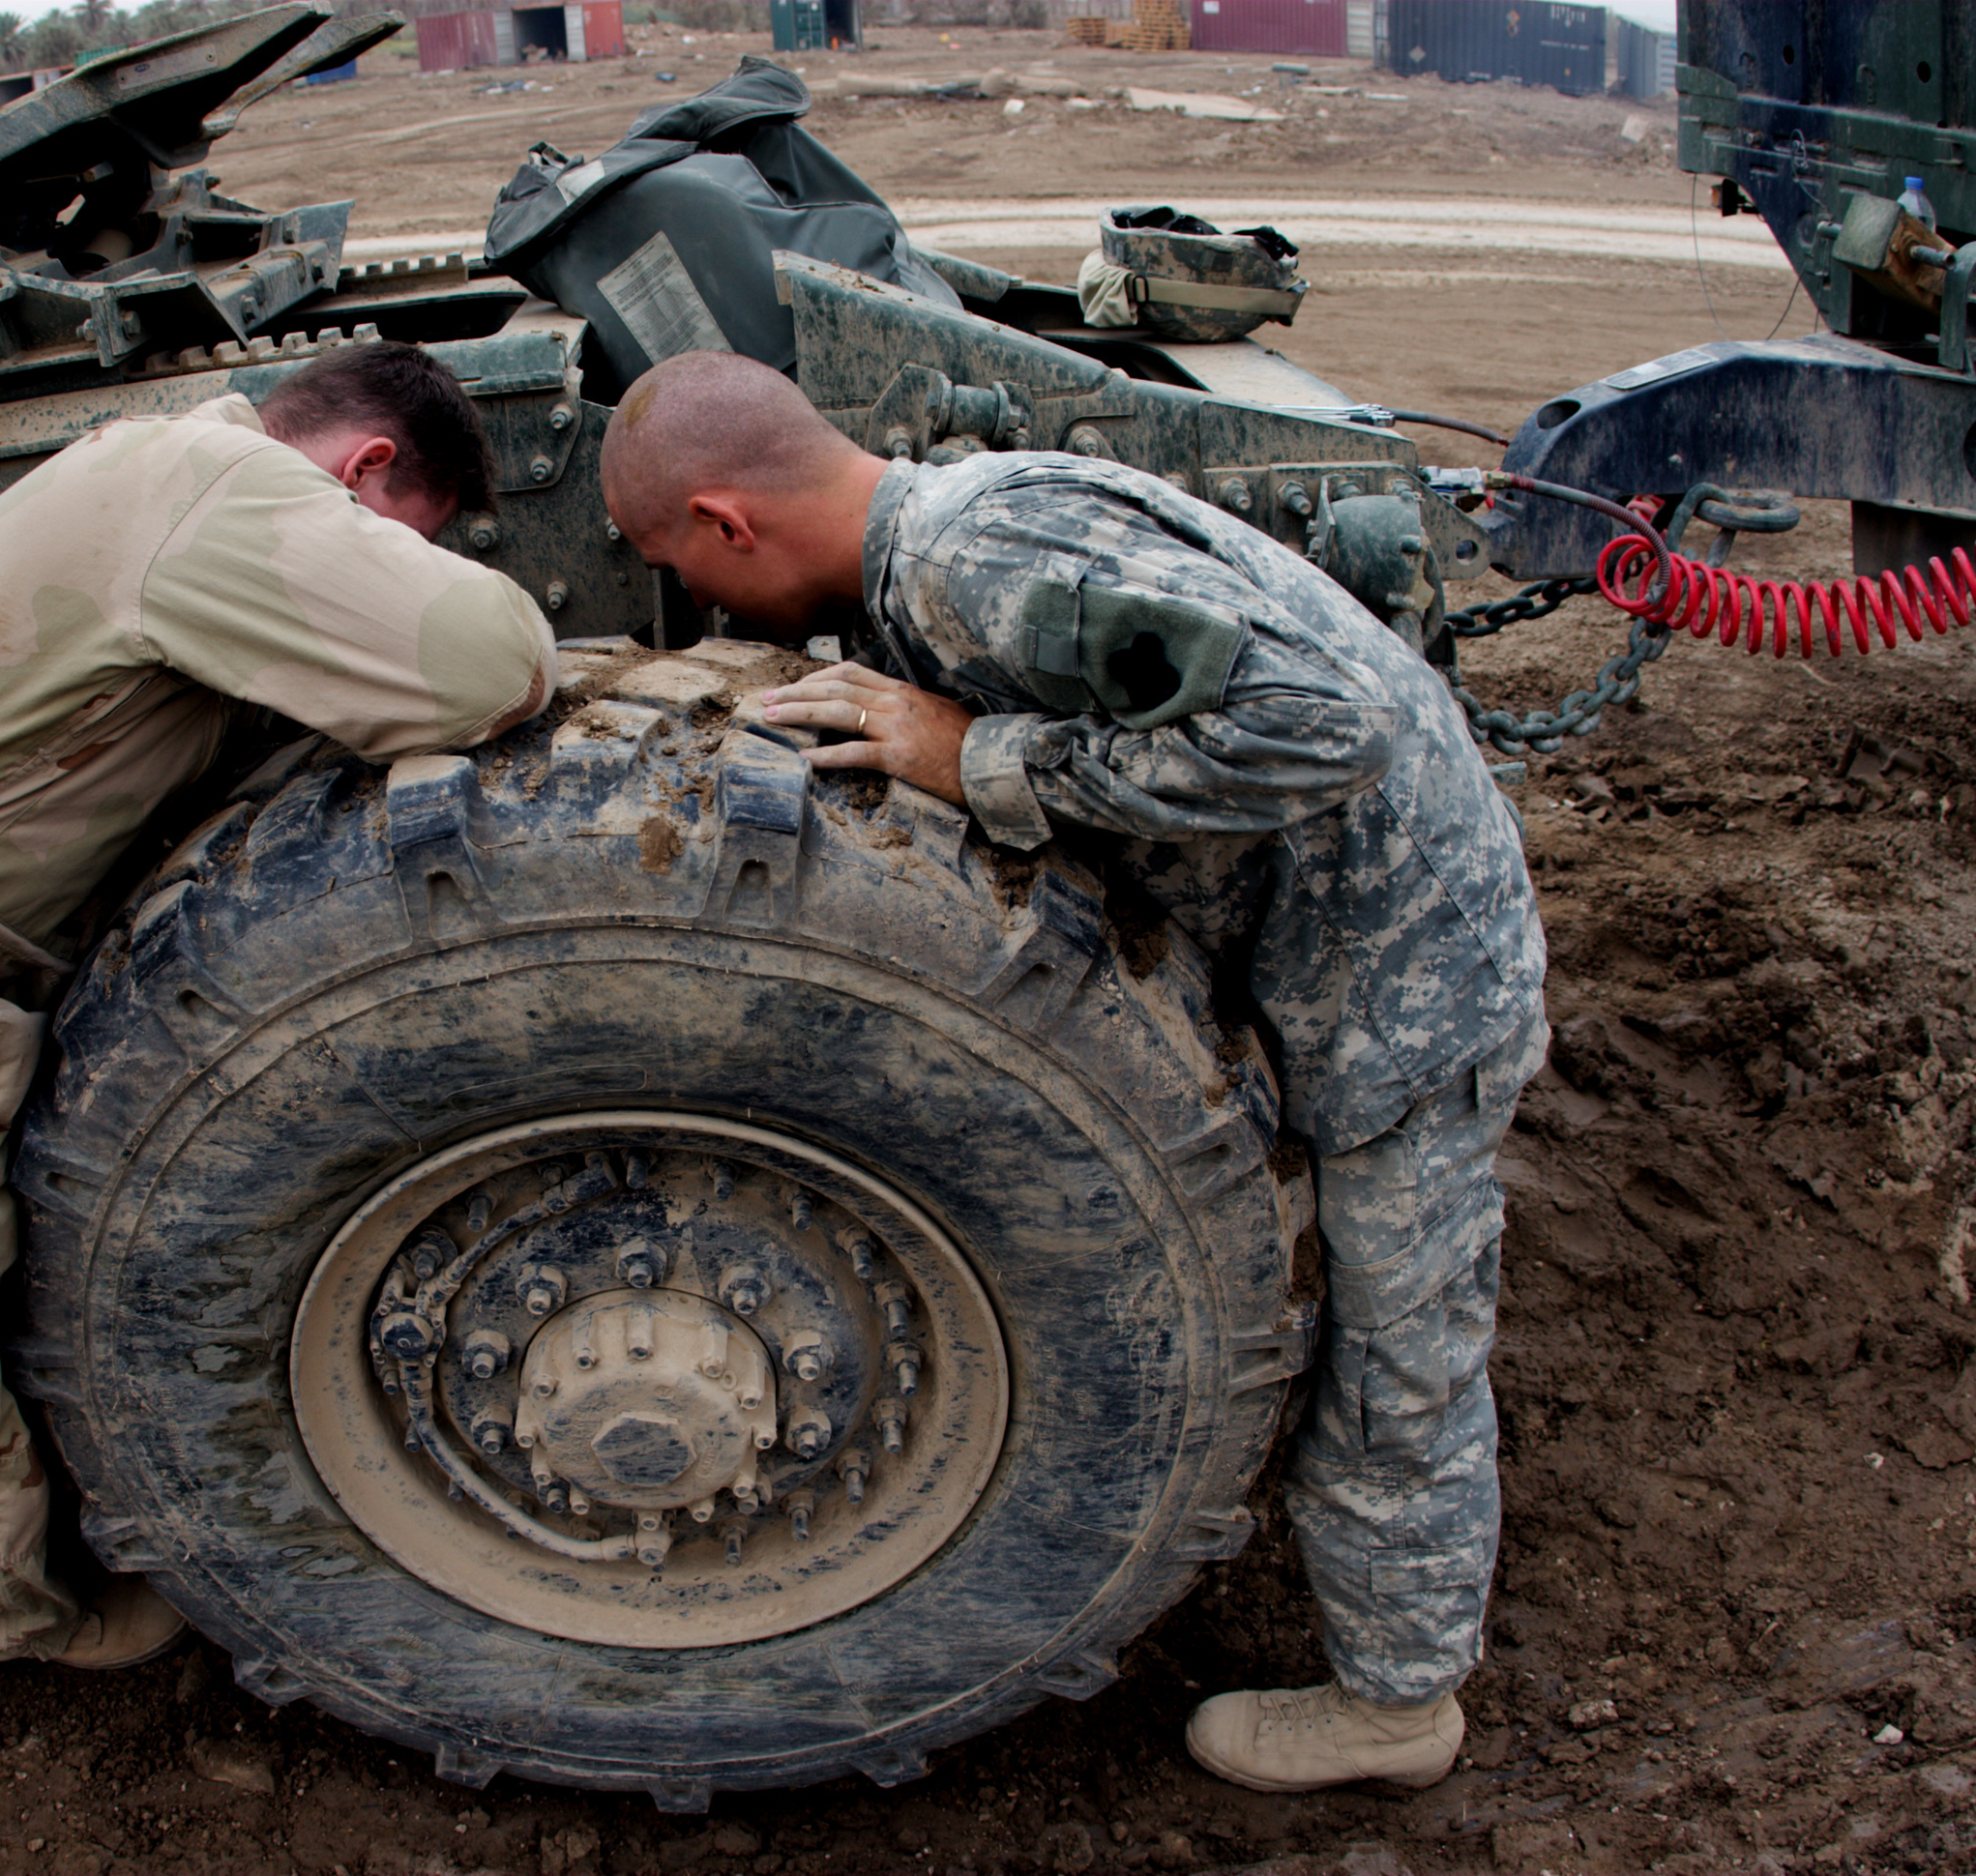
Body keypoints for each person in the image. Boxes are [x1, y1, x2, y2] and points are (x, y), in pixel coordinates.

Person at [600, 350, 1547, 1793]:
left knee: (1397, 1353)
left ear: (731, 522)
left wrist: (978, 751)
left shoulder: (978, 560)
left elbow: (1318, 729)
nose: (707, 600)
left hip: (1403, 985)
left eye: (688, 564)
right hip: (1334, 948)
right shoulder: (939, 544)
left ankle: (1398, 1706)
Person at [0, 341, 558, 1669]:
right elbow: (491, 663)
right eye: (393, 540)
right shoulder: (222, 485)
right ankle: (7, 1619)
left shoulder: (154, 461)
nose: (375, 562)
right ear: (364, 463)